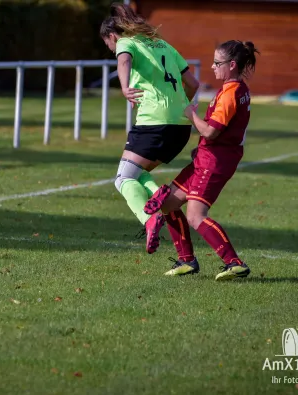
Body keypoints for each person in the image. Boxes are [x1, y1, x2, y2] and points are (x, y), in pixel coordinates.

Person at [144, 40, 259, 281]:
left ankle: (234, 263)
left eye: (218, 63)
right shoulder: (237, 89)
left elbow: (210, 132)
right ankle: (187, 261)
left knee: (196, 216)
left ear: (232, 65)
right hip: (206, 159)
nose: (213, 66)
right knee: (168, 205)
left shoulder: (231, 94)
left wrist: (191, 114)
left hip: (214, 162)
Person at [100, 2, 200, 254]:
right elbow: (193, 83)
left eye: (107, 44)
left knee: (123, 178)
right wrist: (180, 105)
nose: (110, 48)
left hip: (154, 122)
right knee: (136, 172)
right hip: (180, 126)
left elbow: (123, 61)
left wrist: (123, 87)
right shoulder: (163, 44)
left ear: (112, 35)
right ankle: (157, 194)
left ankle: (150, 219)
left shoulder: (126, 42)